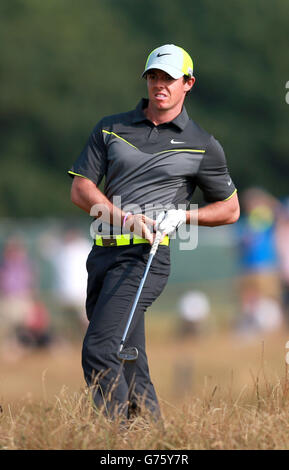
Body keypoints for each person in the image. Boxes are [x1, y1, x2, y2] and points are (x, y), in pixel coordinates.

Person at [68, 44, 240, 420]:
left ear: (188, 84)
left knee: (100, 349)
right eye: (153, 77)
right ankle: (154, 438)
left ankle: (119, 440)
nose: (159, 85)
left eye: (169, 79)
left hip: (145, 260)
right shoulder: (111, 127)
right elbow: (81, 189)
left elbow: (230, 209)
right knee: (130, 359)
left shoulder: (202, 144)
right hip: (102, 252)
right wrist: (125, 219)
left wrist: (184, 215)